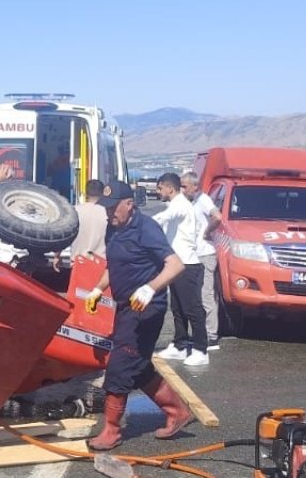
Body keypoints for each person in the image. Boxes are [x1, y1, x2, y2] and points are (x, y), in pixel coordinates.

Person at [83, 180, 195, 450]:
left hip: (147, 308)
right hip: (125, 306)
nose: (110, 214)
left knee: (121, 364)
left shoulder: (146, 228)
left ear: (129, 204)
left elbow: (175, 265)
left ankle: (111, 430)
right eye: (106, 209)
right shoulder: (114, 229)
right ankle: (177, 411)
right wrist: (98, 290)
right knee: (138, 363)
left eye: (114, 208)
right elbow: (113, 265)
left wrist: (150, 288)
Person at [151, 173, 210, 365]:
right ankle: (180, 345)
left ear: (170, 188)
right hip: (176, 264)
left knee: (192, 308)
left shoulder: (180, 205)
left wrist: (147, 223)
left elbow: (167, 216)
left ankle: (201, 349)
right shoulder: (176, 204)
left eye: (160, 188)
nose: (158, 192)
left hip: (188, 265)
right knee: (177, 308)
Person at [182, 171, 223, 350]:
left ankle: (211, 335)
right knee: (195, 296)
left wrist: (207, 232)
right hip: (195, 254)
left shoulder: (203, 200)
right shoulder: (191, 202)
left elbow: (217, 216)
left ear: (194, 186)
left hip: (205, 254)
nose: (182, 190)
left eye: (184, 186)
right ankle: (201, 333)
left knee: (206, 294)